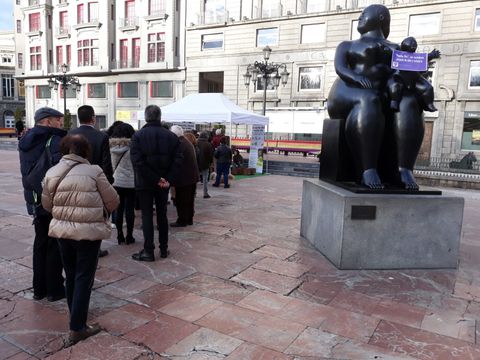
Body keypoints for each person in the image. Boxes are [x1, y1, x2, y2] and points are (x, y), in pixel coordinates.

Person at [41, 134, 119, 346]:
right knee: (84, 277)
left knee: (71, 273)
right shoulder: (94, 171)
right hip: (88, 233)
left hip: (62, 233)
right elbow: (113, 200)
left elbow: (47, 205)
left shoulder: (52, 172)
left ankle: (75, 317)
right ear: (86, 151)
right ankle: (78, 327)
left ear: (64, 150)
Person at [18, 107, 67, 302]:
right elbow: (58, 172)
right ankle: (54, 289)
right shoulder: (54, 140)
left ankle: (39, 289)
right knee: (54, 244)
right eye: (58, 120)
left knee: (40, 243)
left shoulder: (25, 141)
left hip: (34, 198)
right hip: (51, 199)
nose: (60, 124)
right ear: (47, 122)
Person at [130, 105, 183, 261]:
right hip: (163, 183)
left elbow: (138, 162)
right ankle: (164, 248)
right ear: (159, 117)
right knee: (162, 215)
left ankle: (148, 250)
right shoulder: (171, 136)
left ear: (146, 117)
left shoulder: (138, 136)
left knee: (147, 216)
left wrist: (157, 179)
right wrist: (166, 179)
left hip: (145, 182)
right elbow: (178, 160)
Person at [69, 105, 113, 257]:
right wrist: (107, 182)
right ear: (93, 118)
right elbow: (106, 163)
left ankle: (76, 243)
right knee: (95, 216)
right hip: (95, 181)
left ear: (78, 118)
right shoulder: (101, 136)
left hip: (73, 181)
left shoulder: (70, 134)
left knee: (76, 213)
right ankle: (95, 248)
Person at [387, 36, 440, 112]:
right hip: (399, 78)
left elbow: (423, 59)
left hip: (415, 79)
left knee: (428, 88)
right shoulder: (397, 55)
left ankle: (428, 104)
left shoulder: (416, 57)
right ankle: (394, 101)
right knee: (395, 86)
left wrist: (431, 55)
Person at [109, 122, 136, 244]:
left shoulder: (111, 147)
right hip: (131, 182)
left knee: (118, 209)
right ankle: (129, 235)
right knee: (130, 209)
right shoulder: (134, 147)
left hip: (116, 182)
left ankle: (120, 235)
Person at [170, 126, 199, 227]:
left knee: (181, 200)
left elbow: (177, 162)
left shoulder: (180, 144)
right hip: (191, 176)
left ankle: (182, 220)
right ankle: (189, 219)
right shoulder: (187, 142)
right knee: (189, 200)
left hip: (184, 178)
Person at [197, 131, 214, 198]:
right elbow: (210, 155)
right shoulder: (208, 144)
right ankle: (205, 193)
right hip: (205, 164)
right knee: (205, 179)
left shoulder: (196, 143)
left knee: (195, 179)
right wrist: (210, 162)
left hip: (196, 163)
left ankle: (194, 193)